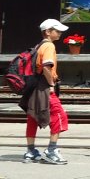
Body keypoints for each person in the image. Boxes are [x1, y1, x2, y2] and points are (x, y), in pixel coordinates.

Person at [24, 18, 70, 165]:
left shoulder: (39, 45)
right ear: (48, 32)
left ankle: (30, 151)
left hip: (33, 87)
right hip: (44, 86)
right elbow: (46, 67)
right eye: (57, 31)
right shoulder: (49, 46)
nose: (60, 33)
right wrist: (51, 85)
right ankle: (51, 151)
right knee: (59, 115)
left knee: (32, 117)